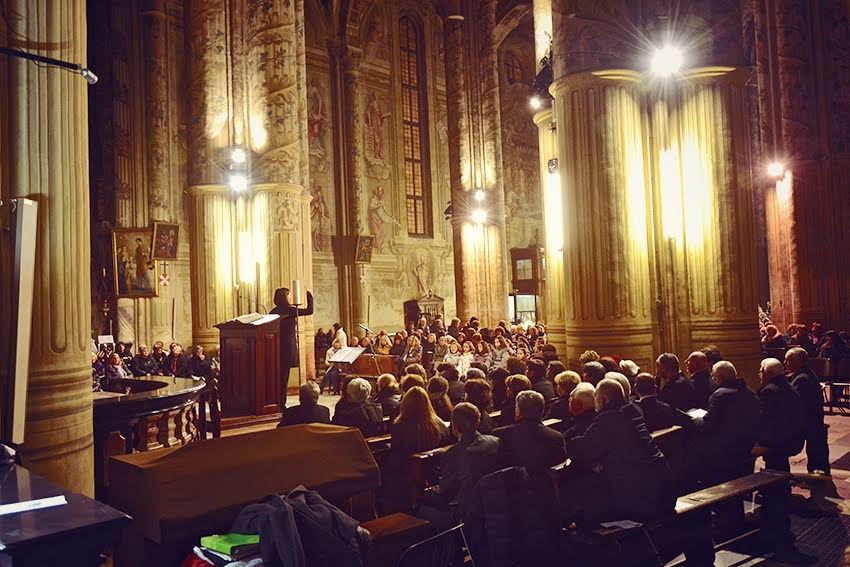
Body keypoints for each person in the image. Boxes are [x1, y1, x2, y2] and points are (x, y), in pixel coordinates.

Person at [566, 379, 674, 525]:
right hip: (663, 485)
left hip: (640, 495)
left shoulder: (609, 417)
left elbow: (583, 450)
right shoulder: (634, 409)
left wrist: (571, 442)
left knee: (584, 509)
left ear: (602, 400)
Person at [753, 358, 806, 556]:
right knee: (779, 484)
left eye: (760, 370)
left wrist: (760, 444)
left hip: (774, 446)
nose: (759, 374)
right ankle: (777, 525)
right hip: (787, 443)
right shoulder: (788, 388)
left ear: (766, 373)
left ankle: (774, 531)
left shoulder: (769, 391)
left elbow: (767, 421)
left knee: (774, 487)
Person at [434, 403, 502, 515]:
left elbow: (446, 493)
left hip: (468, 511)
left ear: (454, 427)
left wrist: (430, 493)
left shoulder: (452, 454)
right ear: (478, 422)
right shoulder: (495, 442)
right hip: (495, 503)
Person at [493, 390, 565, 471]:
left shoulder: (500, 434)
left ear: (518, 411)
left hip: (512, 482)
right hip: (543, 482)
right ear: (542, 411)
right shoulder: (556, 437)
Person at [785, 348, 830, 474]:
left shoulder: (802, 379)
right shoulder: (806, 373)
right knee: (816, 452)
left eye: (788, 360)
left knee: (781, 446)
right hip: (814, 421)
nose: (785, 362)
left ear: (798, 361)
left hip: (809, 422)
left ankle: (817, 479)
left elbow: (798, 403)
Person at [270, 287, 315, 410]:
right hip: (287, 347)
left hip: (275, 348)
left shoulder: (273, 311)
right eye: (288, 295)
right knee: (284, 379)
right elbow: (309, 310)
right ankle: (281, 404)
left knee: (278, 379)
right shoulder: (290, 310)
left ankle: (277, 402)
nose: (290, 298)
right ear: (284, 297)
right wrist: (309, 295)